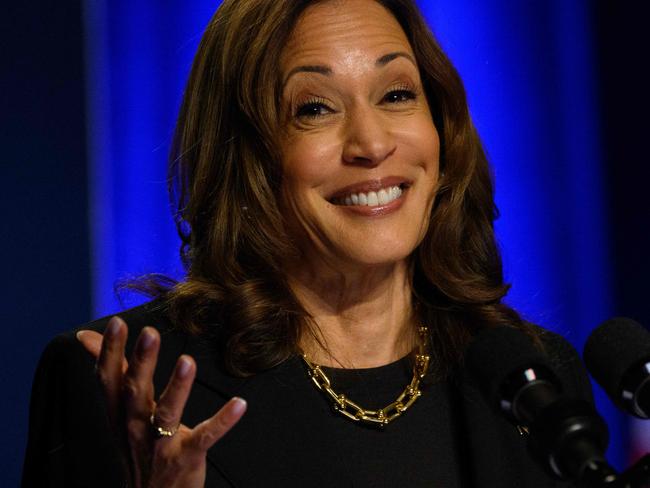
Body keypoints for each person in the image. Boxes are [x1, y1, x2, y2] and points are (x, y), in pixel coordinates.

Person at [22, 0, 594, 486]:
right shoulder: (125, 389)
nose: (371, 144)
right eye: (314, 109)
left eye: (396, 94)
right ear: (245, 157)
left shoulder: (534, 380)